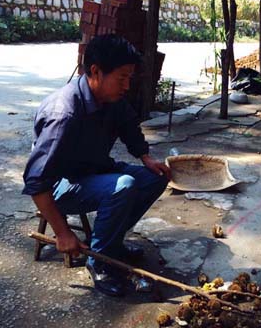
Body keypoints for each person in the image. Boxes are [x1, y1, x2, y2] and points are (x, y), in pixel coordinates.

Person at [22, 34, 171, 297]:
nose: (126, 85)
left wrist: (146, 157)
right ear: (96, 72)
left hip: (93, 169)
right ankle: (100, 262)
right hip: (60, 186)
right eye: (122, 77)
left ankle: (110, 243)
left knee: (155, 177)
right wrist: (63, 233)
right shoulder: (63, 113)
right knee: (123, 185)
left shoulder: (111, 98)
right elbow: (36, 183)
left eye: (129, 78)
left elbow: (129, 126)